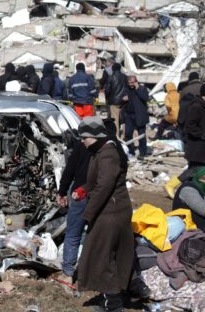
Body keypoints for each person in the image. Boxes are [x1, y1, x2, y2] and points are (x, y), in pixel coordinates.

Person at [76, 116, 134, 311]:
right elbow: (99, 182)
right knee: (105, 256)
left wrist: (87, 214)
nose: (82, 140)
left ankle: (113, 305)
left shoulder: (108, 153)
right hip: (110, 210)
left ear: (94, 135)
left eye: (84, 137)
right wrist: (84, 189)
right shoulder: (100, 150)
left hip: (110, 212)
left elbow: (105, 185)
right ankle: (109, 300)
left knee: (102, 258)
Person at [55, 128, 91, 283]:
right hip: (101, 195)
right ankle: (91, 271)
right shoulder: (111, 148)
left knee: (74, 232)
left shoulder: (82, 146)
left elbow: (69, 170)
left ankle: (68, 273)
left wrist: (62, 191)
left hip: (80, 194)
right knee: (95, 233)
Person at [121, 75, 150, 160]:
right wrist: (123, 99)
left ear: (136, 82)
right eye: (129, 83)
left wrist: (137, 88)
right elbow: (122, 99)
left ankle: (143, 152)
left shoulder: (142, 88)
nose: (131, 84)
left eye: (132, 83)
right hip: (129, 115)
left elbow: (145, 98)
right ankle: (131, 151)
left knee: (141, 134)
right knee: (128, 134)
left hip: (139, 115)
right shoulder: (127, 89)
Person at [104, 63, 127, 139]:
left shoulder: (111, 77)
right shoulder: (125, 77)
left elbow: (107, 90)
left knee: (115, 120)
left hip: (114, 102)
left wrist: (107, 98)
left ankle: (117, 136)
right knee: (123, 120)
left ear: (113, 69)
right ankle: (124, 135)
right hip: (124, 101)